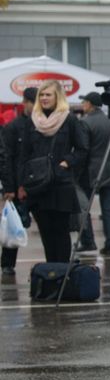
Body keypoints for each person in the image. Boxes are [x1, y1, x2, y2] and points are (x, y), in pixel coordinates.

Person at [16, 80, 88, 262]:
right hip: (38, 184)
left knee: (61, 232)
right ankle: (51, 271)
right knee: (46, 233)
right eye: (41, 94)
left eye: (48, 94)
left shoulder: (69, 119)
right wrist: (22, 183)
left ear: (58, 97)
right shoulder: (32, 121)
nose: (44, 98)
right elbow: (24, 154)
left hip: (60, 184)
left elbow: (82, 149)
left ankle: (61, 272)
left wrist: (66, 163)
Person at [77, 92, 110, 255]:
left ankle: (88, 240)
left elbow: (83, 149)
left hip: (89, 171)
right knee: (108, 209)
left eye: (84, 102)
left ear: (89, 104)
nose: (83, 105)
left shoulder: (85, 122)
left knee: (83, 207)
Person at [1, 88, 36, 275]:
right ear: (25, 102)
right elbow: (6, 158)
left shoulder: (44, 125)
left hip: (39, 184)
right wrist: (9, 187)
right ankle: (7, 263)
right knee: (14, 224)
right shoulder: (13, 127)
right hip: (17, 184)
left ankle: (54, 264)